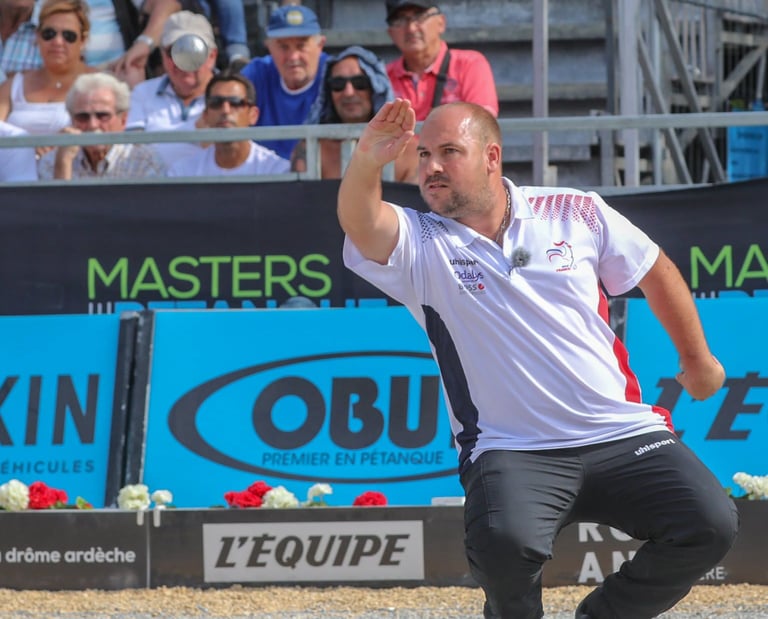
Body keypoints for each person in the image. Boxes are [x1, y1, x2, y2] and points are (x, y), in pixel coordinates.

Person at [337, 99, 739, 619]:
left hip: (621, 432)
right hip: (512, 449)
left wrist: (698, 358)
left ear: (491, 156)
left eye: (449, 152)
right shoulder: (420, 238)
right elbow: (361, 221)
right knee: (504, 548)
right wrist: (368, 157)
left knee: (710, 523)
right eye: (425, 154)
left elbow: (653, 268)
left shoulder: (574, 210)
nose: (432, 167)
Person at [291, 45, 417, 183]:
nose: (348, 92)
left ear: (376, 88)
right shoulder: (311, 150)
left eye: (359, 83)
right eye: (338, 84)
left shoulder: (409, 149)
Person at [0, 0, 180, 86]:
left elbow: (167, 4)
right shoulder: (43, 17)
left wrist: (143, 44)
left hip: (100, 85)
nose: (57, 38)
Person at [125, 9, 217, 166]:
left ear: (212, 56)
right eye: (175, 52)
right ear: (162, 55)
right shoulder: (143, 93)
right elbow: (132, 152)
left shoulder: (230, 97)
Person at [239, 3, 327, 161]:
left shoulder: (337, 76)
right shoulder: (257, 72)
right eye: (283, 47)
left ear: (320, 45)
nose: (293, 57)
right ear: (269, 46)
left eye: (301, 46)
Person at [37, 71, 165, 178]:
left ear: (123, 120)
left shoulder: (143, 160)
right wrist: (63, 165)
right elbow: (54, 207)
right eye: (83, 117)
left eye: (102, 116)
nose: (93, 125)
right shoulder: (53, 161)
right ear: (72, 121)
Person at [385, 1, 498, 120]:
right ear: (390, 33)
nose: (411, 28)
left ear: (441, 23)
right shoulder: (382, 77)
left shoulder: (469, 64)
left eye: (419, 16)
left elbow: (480, 126)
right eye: (400, 20)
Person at [0, 0, 96, 138]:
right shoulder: (12, 86)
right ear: (37, 37)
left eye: (68, 36)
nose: (57, 42)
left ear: (83, 40)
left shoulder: (102, 85)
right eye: (49, 34)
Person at [166, 71, 289, 177]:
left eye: (235, 103)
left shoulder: (277, 172)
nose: (225, 110)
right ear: (205, 115)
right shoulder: (182, 174)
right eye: (216, 103)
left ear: (253, 115)